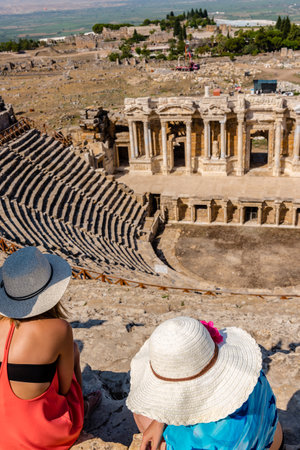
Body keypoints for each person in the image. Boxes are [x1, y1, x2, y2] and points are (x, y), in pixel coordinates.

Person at [126, 316, 284, 450]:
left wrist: (158, 421)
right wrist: (160, 421)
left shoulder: (206, 440)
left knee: (141, 414)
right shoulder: (249, 373)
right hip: (271, 437)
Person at [0, 246, 100, 449]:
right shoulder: (59, 329)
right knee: (71, 351)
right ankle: (83, 408)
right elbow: (64, 389)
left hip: (3, 433)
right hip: (41, 436)